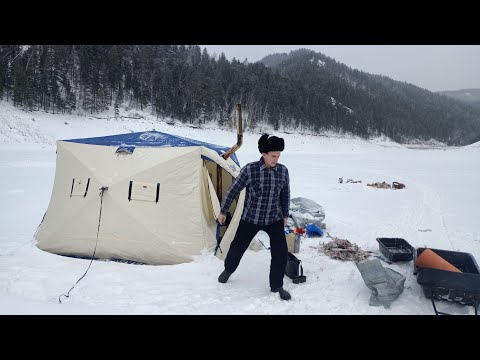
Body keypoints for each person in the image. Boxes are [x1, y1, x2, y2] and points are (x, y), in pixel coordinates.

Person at [217, 133, 291, 300]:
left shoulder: (283, 171)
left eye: (278, 156)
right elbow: (233, 191)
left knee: (280, 253)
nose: (276, 159)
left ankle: (277, 286)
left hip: (274, 218)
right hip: (251, 218)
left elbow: (285, 194)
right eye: (273, 156)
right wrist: (223, 211)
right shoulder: (250, 170)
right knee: (237, 247)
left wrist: (285, 214)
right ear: (264, 154)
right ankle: (228, 269)